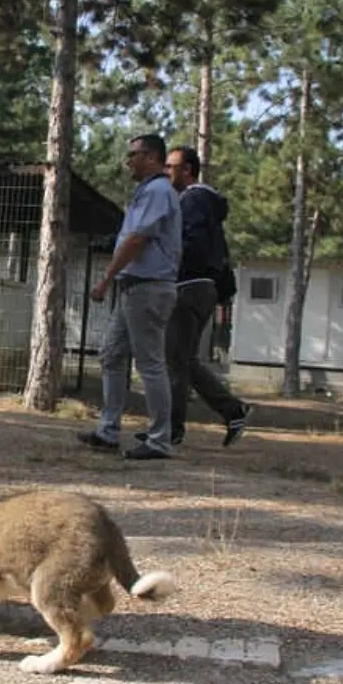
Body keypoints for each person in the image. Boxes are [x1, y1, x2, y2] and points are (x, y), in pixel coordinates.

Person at [77, 134, 182, 460]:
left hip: (148, 287)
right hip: (134, 287)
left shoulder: (157, 191)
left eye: (133, 154)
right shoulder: (147, 192)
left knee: (150, 363)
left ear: (151, 158)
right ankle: (108, 431)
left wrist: (106, 278)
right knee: (112, 354)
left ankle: (159, 440)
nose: (128, 161)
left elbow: (137, 239)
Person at [163, 146, 251, 447]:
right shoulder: (205, 202)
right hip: (203, 288)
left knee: (173, 360)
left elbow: (190, 242)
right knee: (184, 360)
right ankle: (232, 409)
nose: (166, 172)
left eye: (170, 166)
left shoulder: (192, 199)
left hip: (188, 286)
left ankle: (169, 431)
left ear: (187, 170)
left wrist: (170, 263)